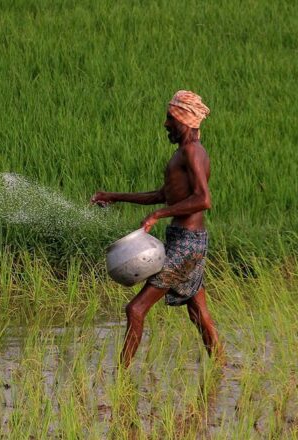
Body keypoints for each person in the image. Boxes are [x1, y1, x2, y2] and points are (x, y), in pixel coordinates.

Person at [91, 90, 224, 368]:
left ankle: (121, 379)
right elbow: (164, 194)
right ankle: (221, 367)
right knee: (197, 309)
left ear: (184, 120)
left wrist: (158, 215)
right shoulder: (183, 153)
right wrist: (115, 196)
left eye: (169, 118)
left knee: (135, 309)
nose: (165, 124)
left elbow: (204, 199)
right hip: (186, 240)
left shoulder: (192, 152)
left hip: (186, 245)